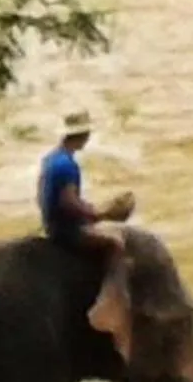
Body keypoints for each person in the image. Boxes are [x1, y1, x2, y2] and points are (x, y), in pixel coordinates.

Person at [38, 109, 136, 344]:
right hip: (66, 231)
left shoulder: (51, 158)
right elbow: (68, 202)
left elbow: (46, 197)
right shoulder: (67, 166)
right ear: (82, 135)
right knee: (115, 243)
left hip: (52, 224)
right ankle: (110, 301)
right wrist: (101, 213)